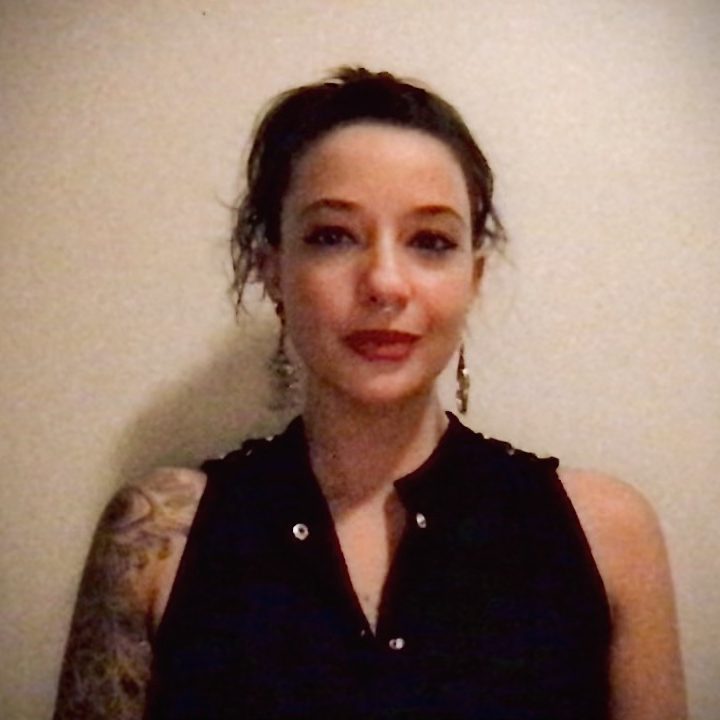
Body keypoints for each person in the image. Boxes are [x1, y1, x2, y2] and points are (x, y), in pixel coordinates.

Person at [53, 68, 687, 719]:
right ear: (273, 269)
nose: (385, 283)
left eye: (430, 242)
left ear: (473, 278)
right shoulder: (156, 538)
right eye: (332, 236)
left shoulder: (608, 536)